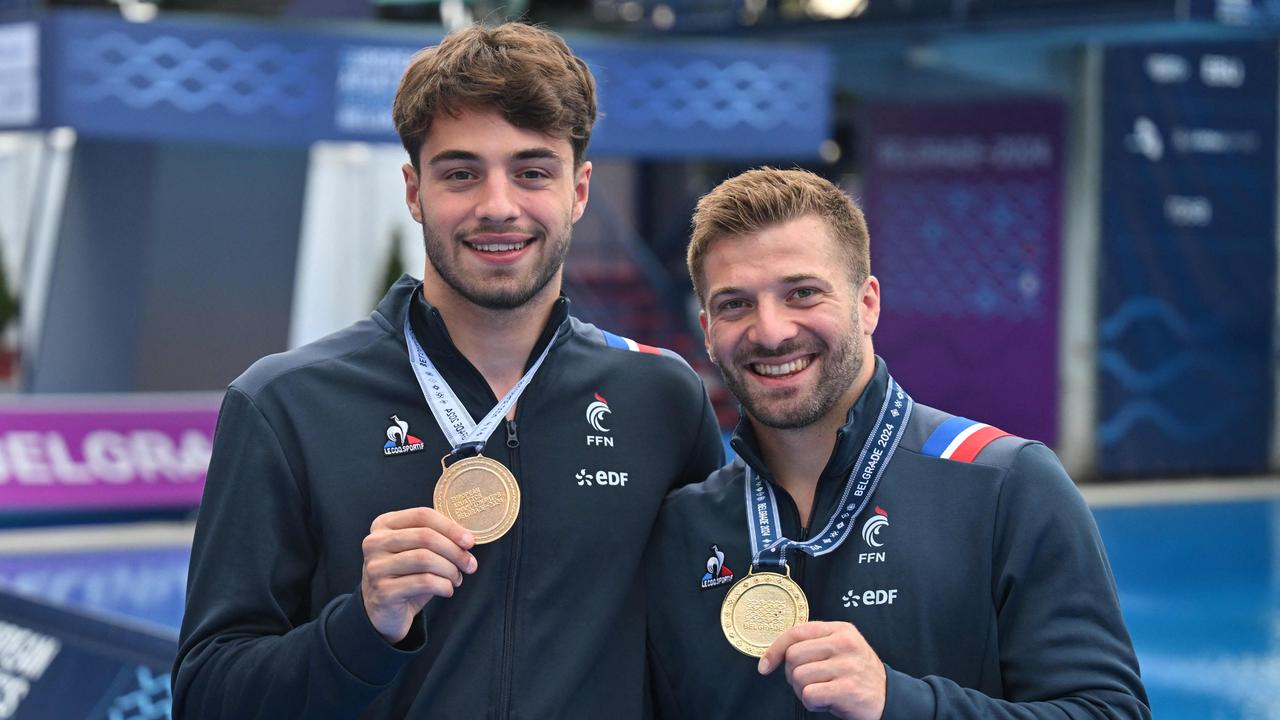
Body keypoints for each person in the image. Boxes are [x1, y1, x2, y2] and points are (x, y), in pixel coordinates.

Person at [173, 22, 724, 719]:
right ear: (414, 190)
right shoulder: (285, 405)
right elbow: (206, 697)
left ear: (579, 190)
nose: (498, 205)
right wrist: (363, 625)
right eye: (462, 173)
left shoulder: (661, 399)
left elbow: (707, 653)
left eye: (532, 171)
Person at [645, 167, 1150, 719]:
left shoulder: (1004, 485)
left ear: (867, 304)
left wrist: (900, 703)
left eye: (803, 293)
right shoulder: (684, 528)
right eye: (735, 304)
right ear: (707, 330)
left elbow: (1108, 711)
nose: (770, 331)